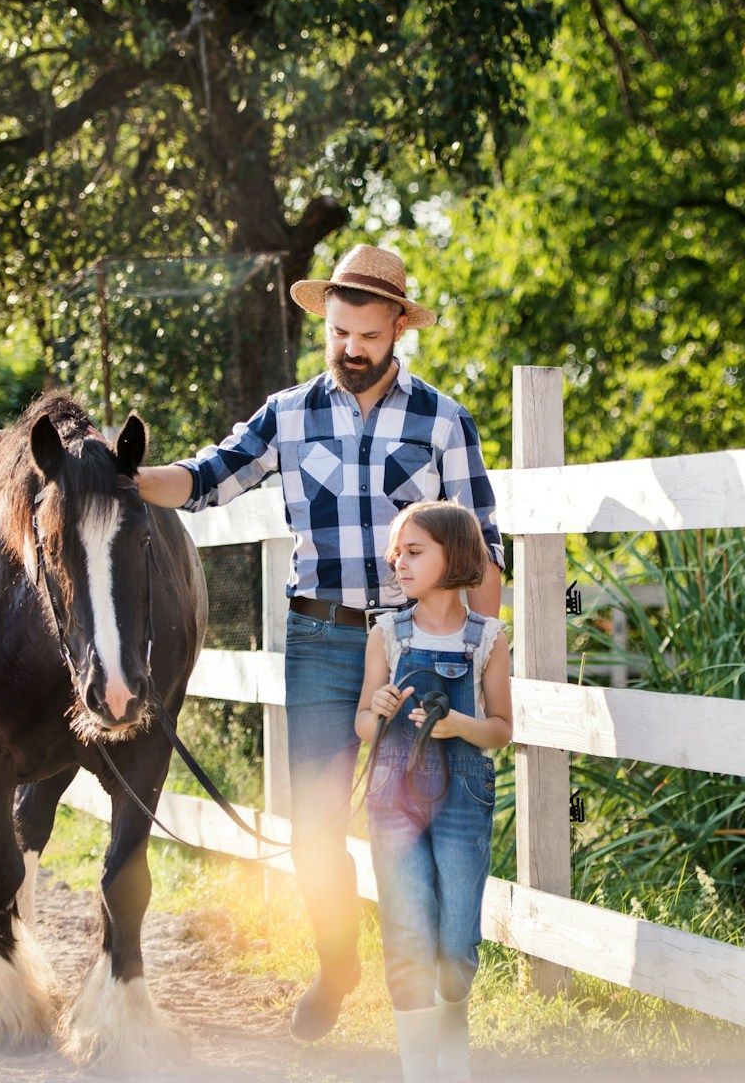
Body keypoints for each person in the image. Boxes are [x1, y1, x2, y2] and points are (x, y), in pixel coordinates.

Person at [135, 243, 504, 1040]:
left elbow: (482, 551)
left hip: (418, 647)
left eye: (367, 335)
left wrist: (478, 654)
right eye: (339, 332)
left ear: (398, 328)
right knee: (313, 827)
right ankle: (339, 964)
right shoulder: (289, 413)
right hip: (322, 641)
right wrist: (123, 477)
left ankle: (442, 1005)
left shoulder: (443, 421)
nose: (350, 349)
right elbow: (205, 478)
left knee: (428, 821)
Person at [357, 500, 511, 1083]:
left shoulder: (488, 638)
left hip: (463, 798)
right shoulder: (386, 635)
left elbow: (500, 728)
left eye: (414, 552)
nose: (400, 563)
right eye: (397, 553)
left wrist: (459, 727)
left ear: (456, 556)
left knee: (456, 942)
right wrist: (379, 709)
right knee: (407, 929)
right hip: (394, 796)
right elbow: (364, 727)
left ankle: (454, 1061)